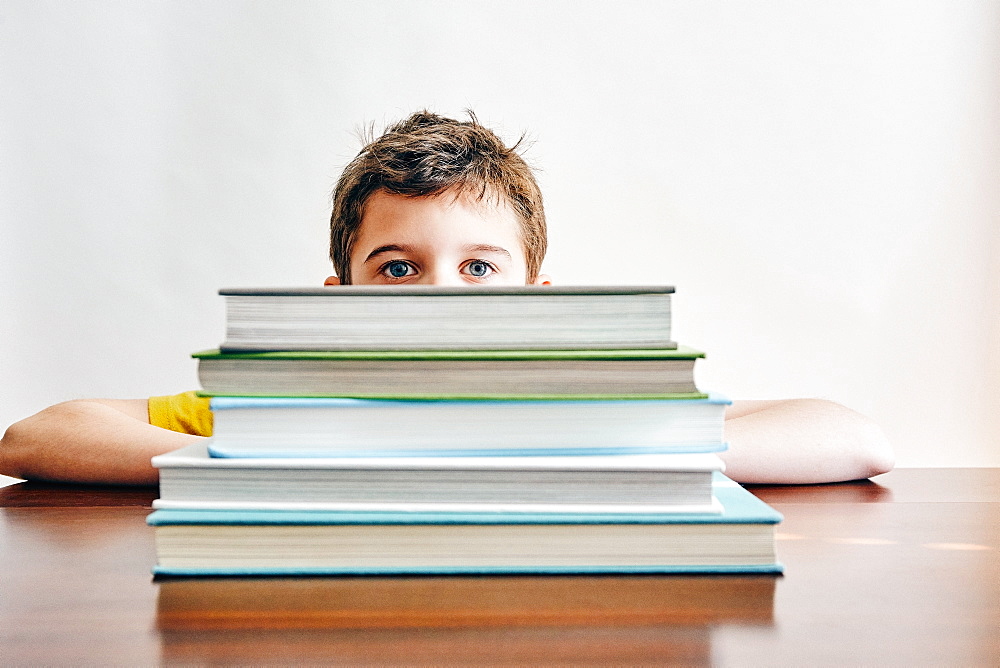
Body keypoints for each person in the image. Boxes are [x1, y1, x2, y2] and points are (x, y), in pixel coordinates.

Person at [0, 111, 894, 486]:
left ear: (538, 298)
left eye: (479, 267)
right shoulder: (285, 406)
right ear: (338, 296)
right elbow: (37, 434)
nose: (437, 291)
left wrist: (626, 453)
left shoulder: (593, 404)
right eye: (396, 267)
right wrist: (260, 459)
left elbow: (855, 436)